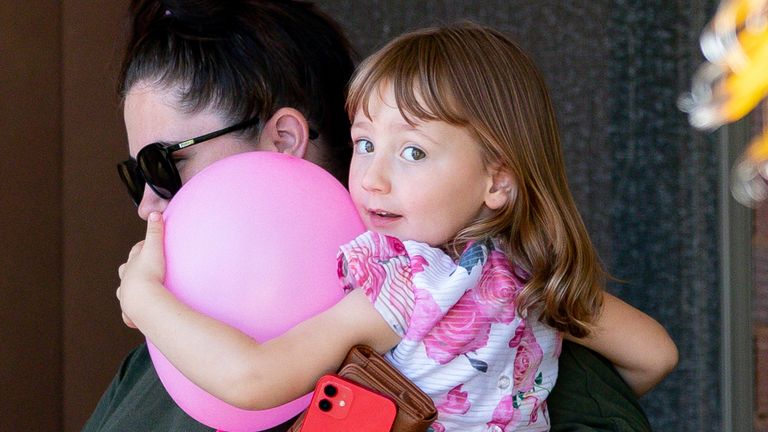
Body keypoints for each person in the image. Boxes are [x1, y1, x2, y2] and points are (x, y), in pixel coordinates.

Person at [116, 23, 678, 431]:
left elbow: (251, 381)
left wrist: (145, 301)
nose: (374, 179)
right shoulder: (532, 281)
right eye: (365, 144)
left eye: (412, 151)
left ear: (498, 180)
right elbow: (656, 355)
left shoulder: (405, 288)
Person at [82, 1, 354, 431]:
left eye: (165, 164)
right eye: (139, 176)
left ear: (283, 139)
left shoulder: (424, 341)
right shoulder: (152, 366)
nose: (146, 204)